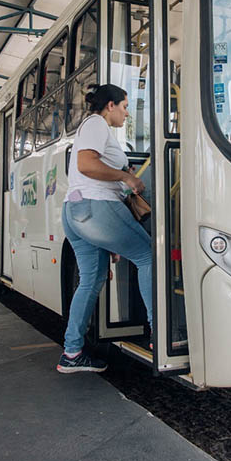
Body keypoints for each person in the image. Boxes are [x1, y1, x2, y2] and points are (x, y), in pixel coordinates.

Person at [57, 84, 153, 374]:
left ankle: (72, 353)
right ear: (110, 106)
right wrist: (128, 178)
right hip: (95, 207)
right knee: (148, 256)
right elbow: (87, 164)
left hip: (76, 212)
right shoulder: (97, 123)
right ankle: (158, 334)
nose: (126, 113)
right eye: (124, 106)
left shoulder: (94, 128)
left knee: (91, 278)